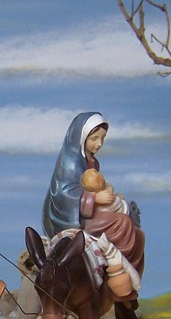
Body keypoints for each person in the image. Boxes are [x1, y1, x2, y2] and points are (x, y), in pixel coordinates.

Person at [42, 112, 145, 294]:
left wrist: (109, 193)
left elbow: (95, 185)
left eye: (102, 138)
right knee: (123, 223)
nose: (99, 144)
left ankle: (123, 276)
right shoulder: (71, 161)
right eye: (94, 138)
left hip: (87, 212)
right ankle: (114, 272)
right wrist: (95, 199)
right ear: (81, 137)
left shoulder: (91, 161)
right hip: (70, 218)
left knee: (137, 233)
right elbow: (63, 194)